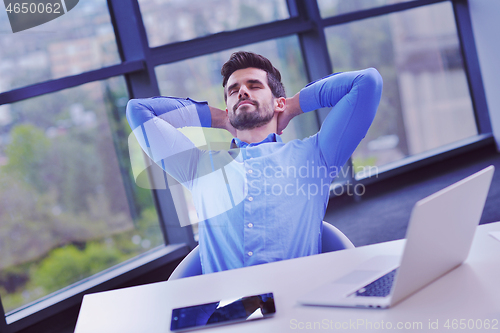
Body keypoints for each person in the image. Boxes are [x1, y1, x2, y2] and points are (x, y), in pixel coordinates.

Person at [126, 51, 383, 274]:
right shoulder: (198, 166)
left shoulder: (315, 156)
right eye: (233, 91)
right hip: (227, 319)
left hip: (298, 308)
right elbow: (138, 111)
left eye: (254, 85)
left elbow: (366, 82)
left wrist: (293, 106)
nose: (243, 92)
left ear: (277, 101)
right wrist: (219, 119)